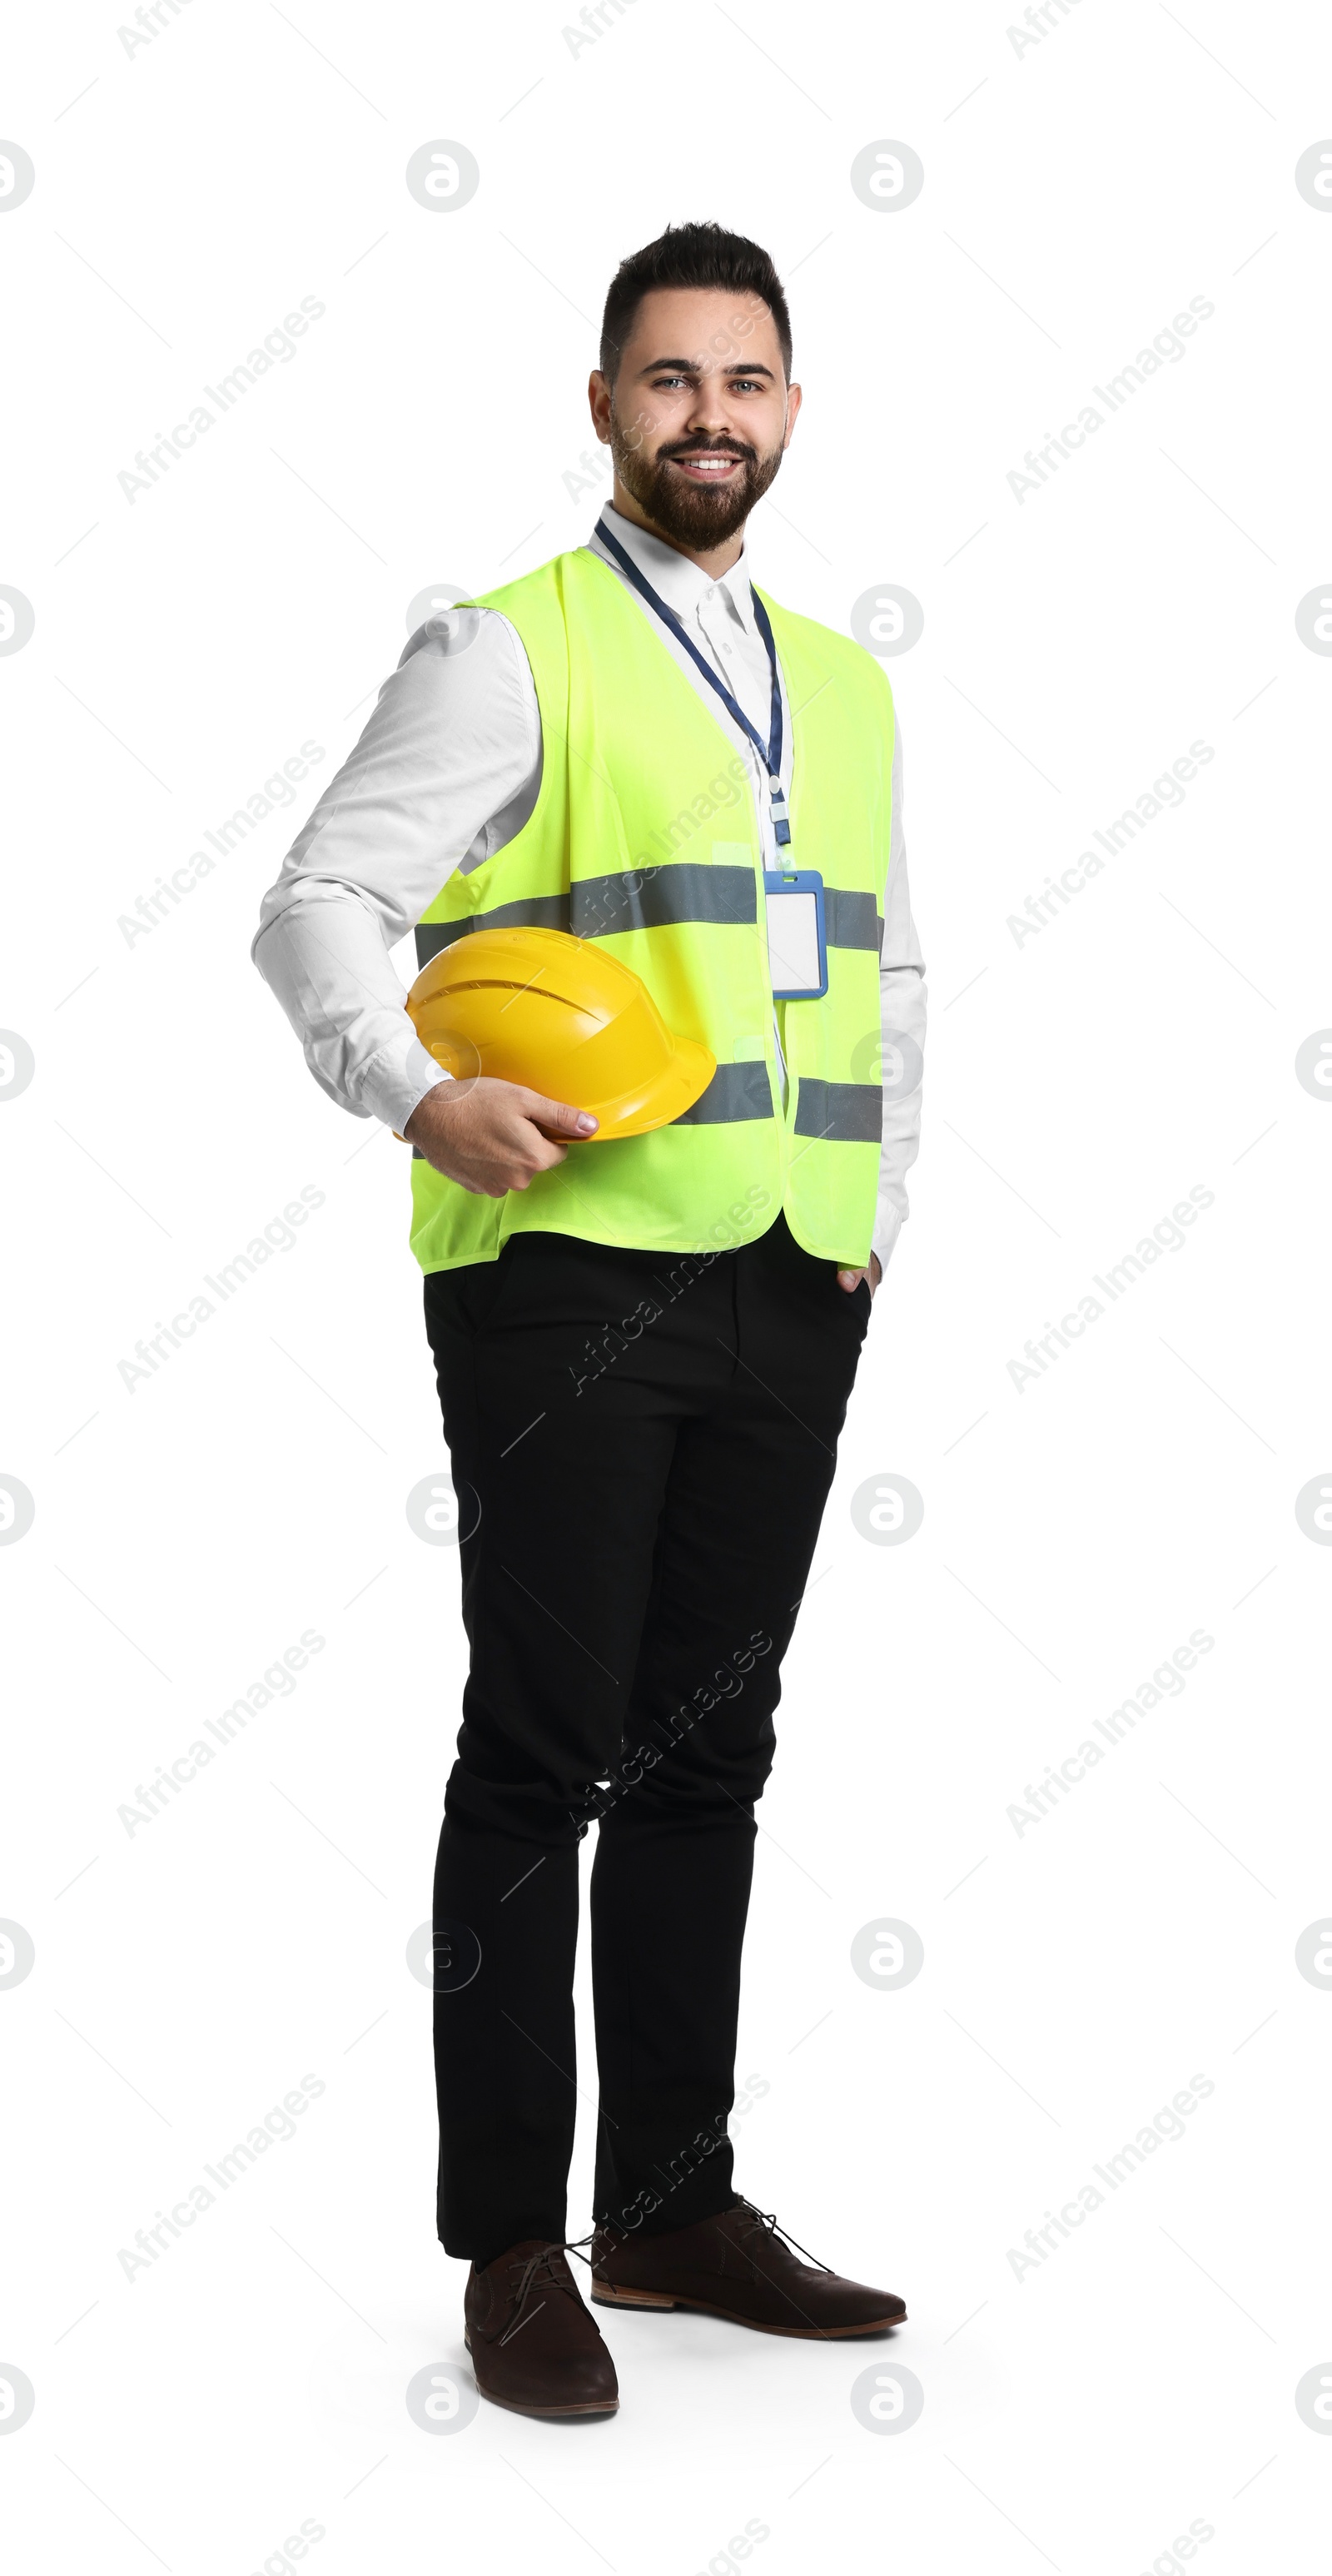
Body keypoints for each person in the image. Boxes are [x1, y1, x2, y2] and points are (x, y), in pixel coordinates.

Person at [252, 221, 927, 2419]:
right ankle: (510, 2244)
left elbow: (877, 969)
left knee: (711, 1753)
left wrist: (872, 1211)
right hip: (564, 1282)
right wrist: (417, 1086)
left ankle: (668, 2202)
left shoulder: (844, 682)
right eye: (669, 379)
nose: (709, 414)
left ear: (793, 410)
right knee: (544, 1754)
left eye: (747, 381)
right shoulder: (506, 648)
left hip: (788, 1263)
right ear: (606, 404)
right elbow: (323, 903)